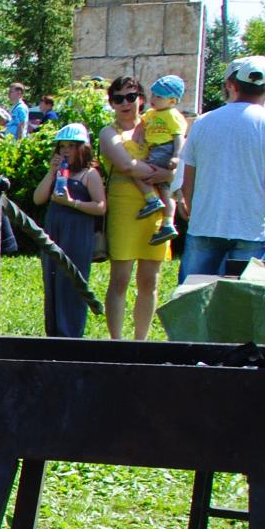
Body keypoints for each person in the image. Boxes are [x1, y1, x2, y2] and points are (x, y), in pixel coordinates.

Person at [178, 54, 265, 280]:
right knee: (240, 306)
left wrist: (199, 216)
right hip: (251, 230)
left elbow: (188, 182)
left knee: (192, 300)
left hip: (205, 226)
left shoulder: (203, 122)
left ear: (232, 85)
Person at [95, 75, 174, 338]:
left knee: (150, 280)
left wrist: (168, 175)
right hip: (123, 207)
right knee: (120, 278)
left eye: (131, 96)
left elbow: (179, 160)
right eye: (118, 99)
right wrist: (159, 173)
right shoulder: (108, 133)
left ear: (141, 98)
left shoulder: (157, 124)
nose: (125, 103)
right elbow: (125, 165)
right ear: (112, 103)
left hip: (157, 208)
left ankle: (141, 341)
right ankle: (116, 342)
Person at [30, 123, 106, 339]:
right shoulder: (58, 173)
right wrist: (51, 172)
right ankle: (52, 332)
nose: (65, 151)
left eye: (71, 146)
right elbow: (38, 198)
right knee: (52, 279)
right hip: (54, 232)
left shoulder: (89, 175)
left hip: (77, 234)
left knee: (71, 281)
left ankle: (71, 334)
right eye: (62, 147)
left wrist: (72, 203)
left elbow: (101, 207)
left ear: (83, 149)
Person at [127, 74, 187, 246]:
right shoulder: (151, 113)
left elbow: (178, 137)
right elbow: (141, 126)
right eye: (153, 95)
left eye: (159, 97)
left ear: (172, 101)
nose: (154, 99)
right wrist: (138, 138)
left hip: (165, 149)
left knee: (136, 170)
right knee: (165, 189)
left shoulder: (172, 115)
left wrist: (176, 155)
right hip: (155, 149)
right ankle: (167, 223)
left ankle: (151, 199)